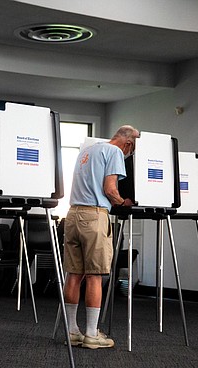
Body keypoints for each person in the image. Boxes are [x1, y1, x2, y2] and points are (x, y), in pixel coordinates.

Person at [63, 125, 139, 349]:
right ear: (128, 144)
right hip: (95, 216)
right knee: (95, 275)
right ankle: (91, 334)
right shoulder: (115, 152)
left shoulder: (88, 150)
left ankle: (72, 331)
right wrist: (123, 202)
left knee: (74, 274)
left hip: (73, 214)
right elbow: (110, 189)